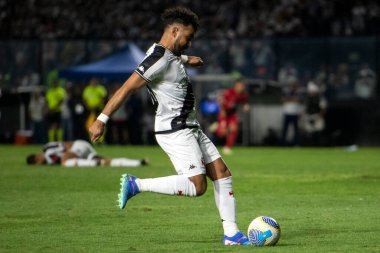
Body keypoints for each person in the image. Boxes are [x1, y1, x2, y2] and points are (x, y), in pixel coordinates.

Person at [89, 6, 251, 245]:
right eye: (188, 37)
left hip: (190, 127)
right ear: (175, 31)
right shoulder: (158, 58)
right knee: (198, 186)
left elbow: (170, 57)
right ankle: (136, 184)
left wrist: (187, 59)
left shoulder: (167, 54)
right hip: (175, 129)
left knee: (222, 173)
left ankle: (232, 234)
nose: (190, 42)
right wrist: (102, 119)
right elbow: (126, 88)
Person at [26, 140, 148, 167]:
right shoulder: (48, 163)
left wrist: (70, 153)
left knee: (65, 162)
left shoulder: (47, 148)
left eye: (37, 161)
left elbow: (67, 144)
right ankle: (139, 162)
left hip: (78, 146)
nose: (39, 163)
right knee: (108, 162)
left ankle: (95, 163)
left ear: (37, 157)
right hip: (81, 155)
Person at [214, 78, 249, 154]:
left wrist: (246, 106)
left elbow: (245, 101)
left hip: (232, 114)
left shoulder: (243, 94)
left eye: (243, 86)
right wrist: (222, 110)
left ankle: (228, 147)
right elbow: (220, 99)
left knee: (234, 129)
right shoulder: (229, 92)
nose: (242, 87)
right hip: (224, 113)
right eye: (240, 86)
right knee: (222, 133)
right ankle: (215, 128)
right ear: (236, 86)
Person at [280, 79, 302, 146]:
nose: (295, 87)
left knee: (296, 130)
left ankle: (296, 143)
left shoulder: (299, 92)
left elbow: (298, 100)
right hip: (287, 113)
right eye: (294, 85)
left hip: (295, 113)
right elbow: (282, 100)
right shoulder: (287, 92)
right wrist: (292, 99)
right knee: (285, 129)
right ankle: (283, 144)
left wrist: (289, 99)